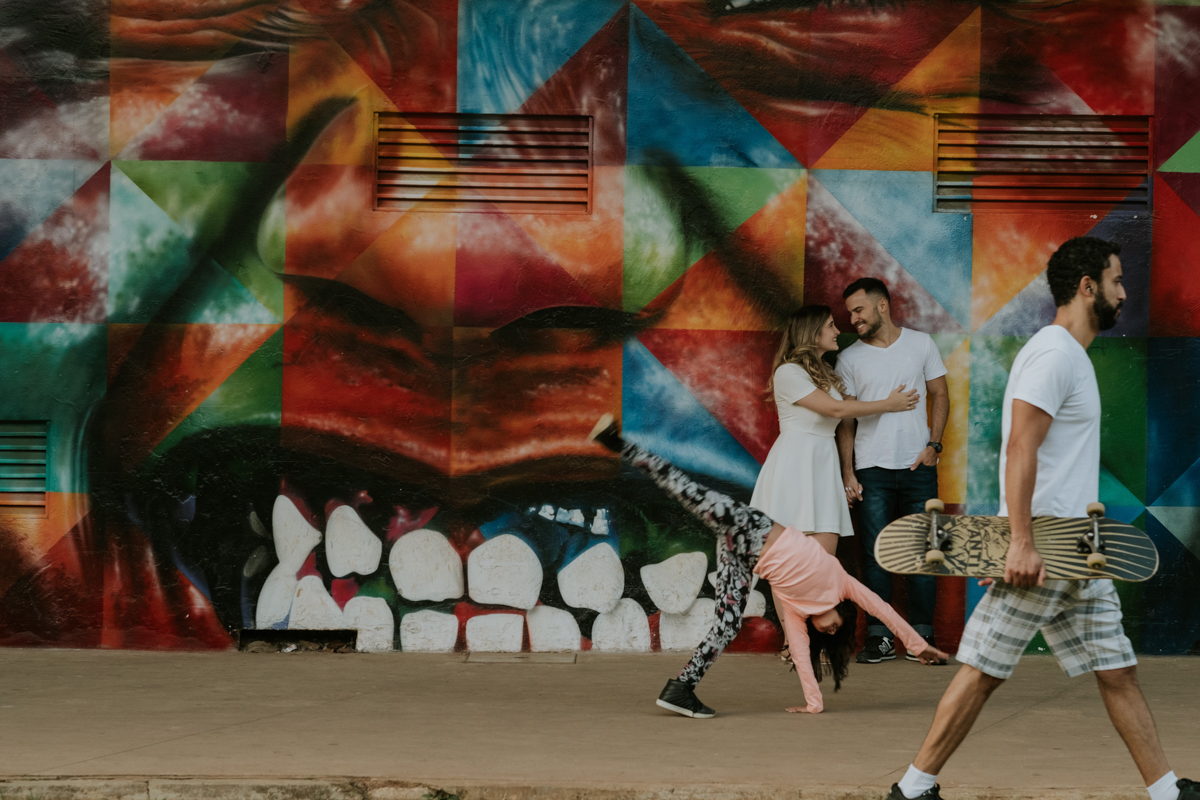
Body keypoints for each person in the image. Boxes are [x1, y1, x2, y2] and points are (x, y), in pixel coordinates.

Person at [887, 237, 1199, 800]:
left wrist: (1013, 539)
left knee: (1117, 670)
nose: (1124, 293)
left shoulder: (1067, 355)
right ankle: (912, 789)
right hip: (1047, 553)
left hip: (1078, 550)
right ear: (1087, 287)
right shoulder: (1054, 354)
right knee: (982, 671)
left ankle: (1166, 791)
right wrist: (1019, 544)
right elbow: (1021, 450)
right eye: (1116, 281)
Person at [588, 414, 948, 720]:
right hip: (750, 527)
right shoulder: (841, 583)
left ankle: (680, 687)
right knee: (684, 489)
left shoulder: (794, 613)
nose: (834, 625)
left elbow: (803, 657)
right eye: (840, 623)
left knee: (727, 624)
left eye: (832, 631)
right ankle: (618, 443)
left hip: (741, 556)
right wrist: (918, 646)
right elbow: (883, 610)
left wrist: (814, 703)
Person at [834, 278, 950, 663]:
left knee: (924, 553)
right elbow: (846, 420)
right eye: (850, 312)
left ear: (882, 305)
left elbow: (940, 394)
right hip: (872, 471)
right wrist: (848, 472)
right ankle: (880, 638)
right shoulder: (849, 358)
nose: (853, 319)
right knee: (874, 556)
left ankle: (922, 638)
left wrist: (934, 446)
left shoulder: (921, 344)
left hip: (919, 468)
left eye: (859, 310)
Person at [752, 305, 920, 557]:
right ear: (812, 332)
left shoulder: (825, 375)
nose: (838, 331)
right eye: (831, 325)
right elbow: (837, 410)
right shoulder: (788, 372)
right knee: (786, 567)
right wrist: (889, 404)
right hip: (795, 467)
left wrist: (846, 473)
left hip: (823, 465)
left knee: (823, 566)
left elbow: (842, 411)